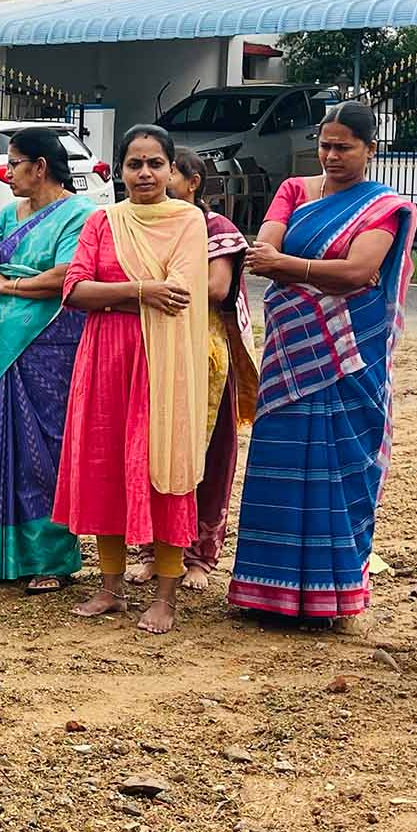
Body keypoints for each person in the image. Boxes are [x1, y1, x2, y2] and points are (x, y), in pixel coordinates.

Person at [228, 102, 416, 622]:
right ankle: (264, 591)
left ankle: (329, 597)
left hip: (351, 355)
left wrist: (291, 266)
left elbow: (357, 272)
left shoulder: (384, 207)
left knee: (342, 463)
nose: (331, 156)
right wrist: (315, 270)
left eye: (344, 147)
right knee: (279, 458)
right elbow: (261, 254)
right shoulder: (294, 190)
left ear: (370, 149)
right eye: (325, 145)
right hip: (291, 348)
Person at [52, 125, 209, 635]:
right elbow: (75, 290)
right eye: (134, 164)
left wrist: (113, 296)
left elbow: (178, 294)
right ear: (119, 170)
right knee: (106, 465)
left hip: (163, 362)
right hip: (105, 361)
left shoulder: (187, 220)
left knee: (163, 466)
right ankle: (111, 588)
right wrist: (142, 290)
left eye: (155, 163)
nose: (144, 173)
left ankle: (165, 596)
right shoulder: (104, 221)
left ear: (172, 169)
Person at [0, 126, 95, 592]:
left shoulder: (82, 214)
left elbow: (66, 275)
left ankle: (52, 558)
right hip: (6, 344)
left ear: (39, 167)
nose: (6, 173)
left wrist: (12, 286)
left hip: (52, 342)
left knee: (47, 448)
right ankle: (0, 557)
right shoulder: (7, 214)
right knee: (7, 445)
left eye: (13, 164)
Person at [127, 151, 259, 590]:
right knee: (153, 448)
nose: (153, 177)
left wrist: (153, 288)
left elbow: (217, 288)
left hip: (205, 351)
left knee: (208, 453)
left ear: (193, 182)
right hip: (153, 344)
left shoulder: (215, 228)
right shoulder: (143, 223)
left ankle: (200, 555)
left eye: (166, 171)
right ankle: (152, 550)